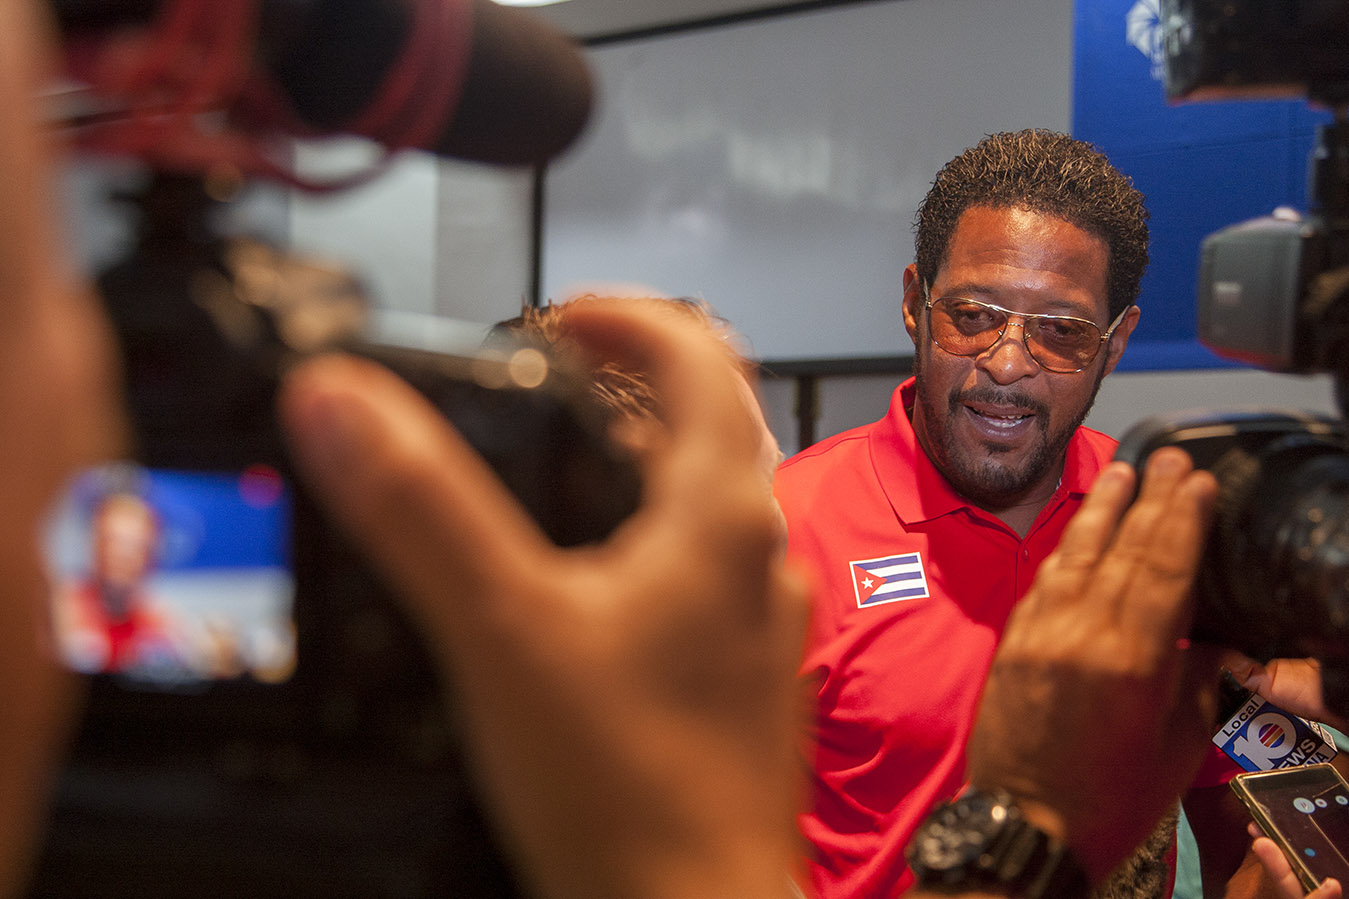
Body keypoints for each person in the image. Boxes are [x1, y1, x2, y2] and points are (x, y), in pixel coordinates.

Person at [772, 128, 1266, 899]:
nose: (1006, 363)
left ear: (1115, 342)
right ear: (914, 303)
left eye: (1062, 332)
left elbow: (1245, 833)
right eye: (971, 314)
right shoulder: (781, 528)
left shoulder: (1161, 525)